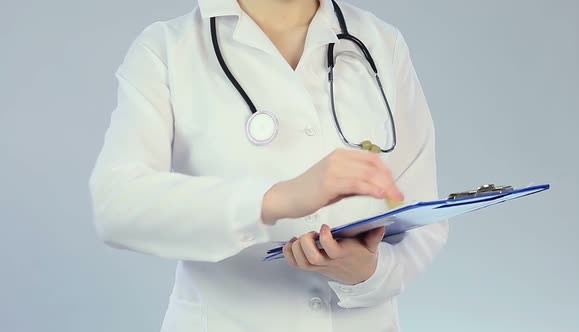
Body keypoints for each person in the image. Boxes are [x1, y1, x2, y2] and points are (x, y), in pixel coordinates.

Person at [89, 0, 449, 331]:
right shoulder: (167, 48)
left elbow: (419, 218)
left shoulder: (380, 42)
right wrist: (273, 201)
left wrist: (369, 274)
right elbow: (117, 204)